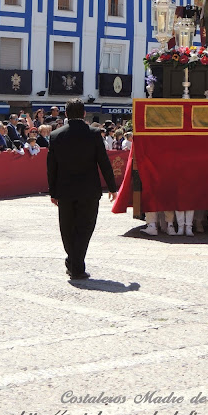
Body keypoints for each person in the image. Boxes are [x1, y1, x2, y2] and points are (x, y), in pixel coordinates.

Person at [47, 98, 117, 280]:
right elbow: (104, 161)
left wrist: (52, 192)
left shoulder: (56, 136)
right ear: (84, 113)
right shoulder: (93, 134)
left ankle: (73, 261)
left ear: (65, 114)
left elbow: (51, 167)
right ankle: (76, 265)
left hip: (65, 190)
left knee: (67, 227)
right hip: (89, 190)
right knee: (85, 227)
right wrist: (112, 187)